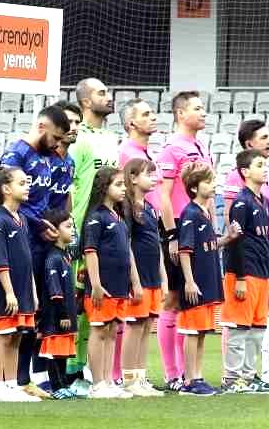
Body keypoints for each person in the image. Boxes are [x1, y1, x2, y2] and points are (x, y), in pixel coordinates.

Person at [0, 104, 70, 396]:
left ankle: (24, 379)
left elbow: (49, 203)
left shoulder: (45, 159)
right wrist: (38, 224)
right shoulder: (15, 156)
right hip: (20, 243)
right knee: (12, 318)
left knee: (34, 314)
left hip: (40, 242)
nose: (57, 145)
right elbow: (3, 203)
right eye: (55, 138)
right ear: (42, 127)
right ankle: (3, 380)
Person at [154, 90, 211, 390]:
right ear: (180, 113)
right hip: (177, 228)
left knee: (190, 301)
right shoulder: (171, 149)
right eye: (197, 109)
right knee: (174, 298)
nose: (203, 113)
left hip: (199, 231)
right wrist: (171, 233)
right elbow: (162, 195)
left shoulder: (201, 146)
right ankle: (172, 373)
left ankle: (189, 372)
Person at [67, 77, 120, 389]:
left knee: (95, 308)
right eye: (102, 93)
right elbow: (72, 186)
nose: (108, 96)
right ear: (86, 101)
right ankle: (66, 371)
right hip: (79, 233)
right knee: (75, 305)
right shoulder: (79, 139)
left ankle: (85, 369)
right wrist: (72, 229)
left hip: (103, 232)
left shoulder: (111, 139)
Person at [221, 120, 269, 388]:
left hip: (261, 273)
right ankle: (232, 378)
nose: (265, 169)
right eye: (259, 165)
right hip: (243, 274)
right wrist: (241, 277)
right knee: (239, 329)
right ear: (244, 171)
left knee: (257, 328)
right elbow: (237, 243)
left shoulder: (261, 202)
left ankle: (248, 376)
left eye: (265, 165)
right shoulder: (242, 203)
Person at [0, 165, 38, 402]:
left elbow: (27, 259)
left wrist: (33, 291)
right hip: (8, 290)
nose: (27, 187)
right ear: (6, 189)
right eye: (21, 183)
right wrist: (9, 292)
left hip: (24, 288)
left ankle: (11, 383)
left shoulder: (22, 219)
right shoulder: (0, 221)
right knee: (3, 333)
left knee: (17, 335)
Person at [81, 165, 134, 399]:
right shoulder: (96, 217)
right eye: (118, 184)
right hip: (102, 286)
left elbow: (127, 251)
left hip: (119, 284)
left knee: (112, 330)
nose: (124, 189)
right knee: (99, 330)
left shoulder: (119, 217)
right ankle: (97, 382)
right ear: (104, 187)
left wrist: (134, 282)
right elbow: (90, 251)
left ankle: (109, 379)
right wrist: (95, 284)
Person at [175, 162, 223, 395]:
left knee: (202, 331)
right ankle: (189, 380)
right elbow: (185, 250)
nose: (213, 186)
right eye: (208, 182)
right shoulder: (190, 214)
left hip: (208, 281)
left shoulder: (204, 213)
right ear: (194, 188)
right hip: (196, 283)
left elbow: (208, 246)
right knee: (192, 332)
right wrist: (189, 281)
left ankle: (198, 375)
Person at [119, 157, 165, 397]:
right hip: (139, 276)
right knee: (135, 325)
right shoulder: (127, 207)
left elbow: (156, 244)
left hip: (153, 276)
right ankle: (128, 378)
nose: (154, 178)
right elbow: (126, 245)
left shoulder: (150, 207)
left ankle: (140, 375)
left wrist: (164, 277)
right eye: (149, 174)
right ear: (134, 178)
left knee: (147, 325)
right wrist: (134, 280)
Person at [37, 208, 79, 395]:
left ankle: (63, 385)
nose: (72, 230)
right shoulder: (53, 258)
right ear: (54, 231)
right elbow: (55, 289)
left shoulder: (65, 255)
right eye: (68, 226)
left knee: (63, 352)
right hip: (55, 317)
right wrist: (62, 313)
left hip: (67, 314)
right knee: (55, 352)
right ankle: (57, 386)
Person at [115, 97, 157, 167]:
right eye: (146, 114)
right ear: (132, 124)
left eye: (152, 113)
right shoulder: (124, 154)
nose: (154, 117)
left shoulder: (148, 151)